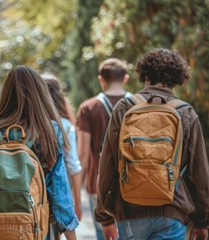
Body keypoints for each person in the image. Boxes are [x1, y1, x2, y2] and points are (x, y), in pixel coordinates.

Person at [95, 48, 209, 240]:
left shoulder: (124, 108)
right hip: (172, 210)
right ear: (177, 78)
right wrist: (202, 221)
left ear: (144, 74)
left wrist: (104, 217)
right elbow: (199, 173)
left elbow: (108, 164)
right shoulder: (185, 112)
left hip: (128, 209)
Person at [0, 65, 79, 239]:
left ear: (6, 94)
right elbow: (59, 193)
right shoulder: (50, 132)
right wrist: (71, 236)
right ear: (40, 94)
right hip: (36, 231)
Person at [76, 58, 130, 239]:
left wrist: (77, 189)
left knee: (104, 234)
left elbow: (82, 153)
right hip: (133, 182)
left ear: (101, 79)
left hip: (98, 184)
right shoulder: (138, 105)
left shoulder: (88, 108)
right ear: (126, 78)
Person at [42, 74, 82, 221]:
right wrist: (77, 202)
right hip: (59, 192)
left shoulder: (27, 125)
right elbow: (73, 165)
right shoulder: (64, 125)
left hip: (33, 192)